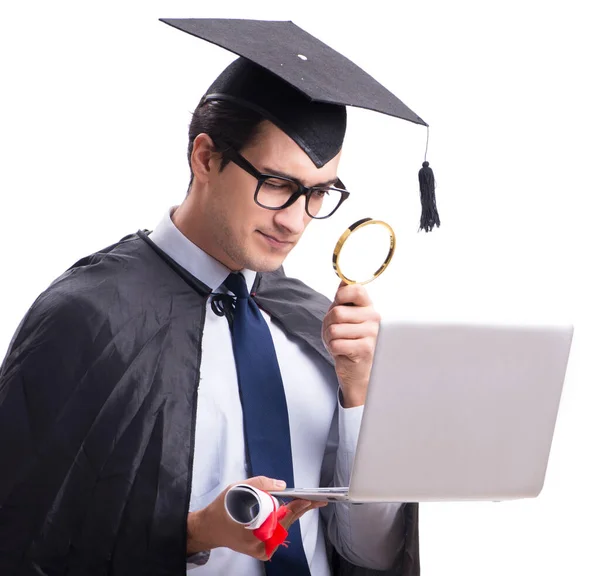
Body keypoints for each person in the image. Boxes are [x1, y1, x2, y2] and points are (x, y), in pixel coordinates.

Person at [0, 18, 424, 576]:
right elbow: (26, 536)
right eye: (276, 184)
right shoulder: (87, 319)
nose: (296, 221)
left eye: (319, 193)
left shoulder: (312, 322)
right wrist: (193, 533)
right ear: (205, 158)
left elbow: (370, 555)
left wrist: (359, 394)